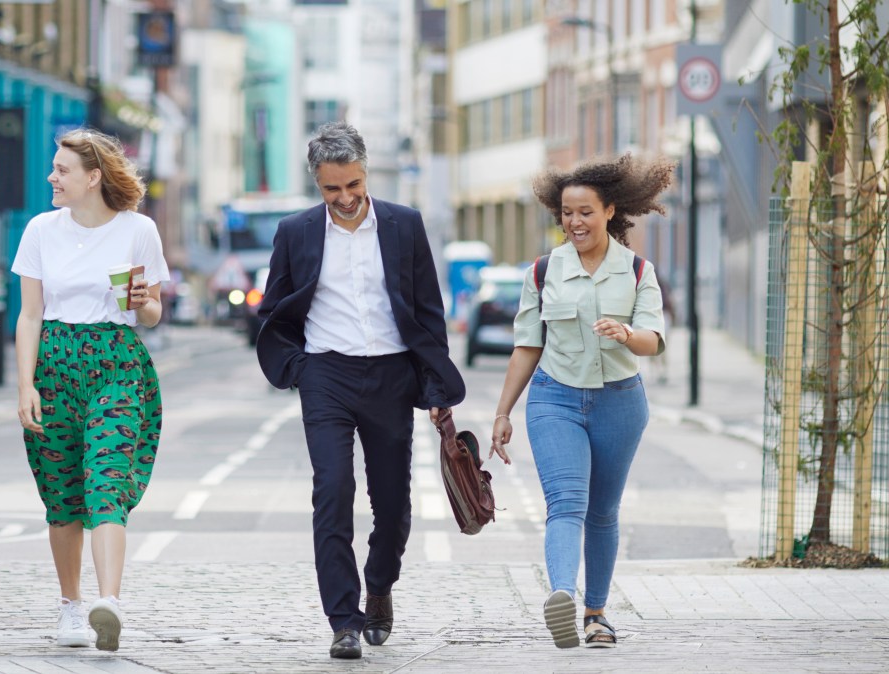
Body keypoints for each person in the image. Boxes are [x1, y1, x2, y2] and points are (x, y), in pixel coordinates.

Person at [255, 122, 464, 659]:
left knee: (392, 501)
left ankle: (380, 585)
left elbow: (427, 310)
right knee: (332, 490)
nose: (345, 198)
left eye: (353, 185)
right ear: (317, 185)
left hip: (392, 375)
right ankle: (343, 620)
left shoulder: (404, 225)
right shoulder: (296, 232)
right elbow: (274, 310)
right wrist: (299, 368)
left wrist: (436, 381)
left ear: (365, 173)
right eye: (332, 189)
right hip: (326, 375)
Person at [488, 154, 674, 649]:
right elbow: (527, 345)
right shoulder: (544, 271)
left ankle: (596, 614)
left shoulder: (637, 271)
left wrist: (627, 332)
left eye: (585, 212)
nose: (575, 222)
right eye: (567, 213)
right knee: (566, 502)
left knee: (603, 511)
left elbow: (655, 339)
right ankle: (563, 598)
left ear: (610, 210)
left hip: (620, 402)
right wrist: (503, 412)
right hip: (556, 399)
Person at [12, 129, 168, 651]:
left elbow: (149, 314)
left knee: (106, 481)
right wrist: (25, 384)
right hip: (54, 364)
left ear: (93, 177)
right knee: (62, 493)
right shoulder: (39, 230)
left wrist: (144, 300)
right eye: (54, 168)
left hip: (116, 363)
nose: (51, 177)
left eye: (62, 170)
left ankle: (109, 604)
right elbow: (29, 316)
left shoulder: (138, 231)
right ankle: (71, 606)